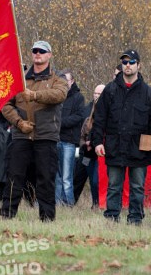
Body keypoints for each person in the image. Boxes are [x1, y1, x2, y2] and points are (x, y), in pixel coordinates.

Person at [91, 49, 151, 225]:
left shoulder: (147, 93)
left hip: (139, 149)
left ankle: (135, 219)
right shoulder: (110, 90)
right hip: (115, 147)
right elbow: (99, 118)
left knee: (137, 188)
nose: (127, 65)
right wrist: (98, 141)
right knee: (114, 186)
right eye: (124, 62)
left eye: (131, 62)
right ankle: (111, 218)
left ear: (139, 65)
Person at [0, 40, 68, 221]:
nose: (38, 54)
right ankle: (7, 214)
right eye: (35, 51)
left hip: (46, 136)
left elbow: (60, 94)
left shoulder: (57, 78)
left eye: (42, 51)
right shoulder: (18, 79)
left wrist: (35, 95)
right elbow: (5, 105)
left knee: (45, 178)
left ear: (49, 55)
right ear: (31, 54)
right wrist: (19, 122)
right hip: (21, 136)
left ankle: (46, 218)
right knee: (14, 176)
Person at [55, 70, 85, 207]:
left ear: (72, 81)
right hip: (55, 139)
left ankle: (68, 204)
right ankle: (56, 203)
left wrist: (60, 123)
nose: (64, 83)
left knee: (67, 176)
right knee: (56, 176)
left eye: (66, 80)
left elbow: (79, 117)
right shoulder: (56, 96)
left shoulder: (78, 97)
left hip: (69, 142)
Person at [74, 84, 105, 207]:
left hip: (98, 154)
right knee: (79, 177)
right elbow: (82, 133)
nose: (96, 96)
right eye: (95, 93)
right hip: (86, 155)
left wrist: (92, 143)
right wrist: (83, 145)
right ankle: (71, 202)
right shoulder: (88, 110)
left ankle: (96, 203)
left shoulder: (105, 112)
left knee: (95, 180)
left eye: (99, 94)